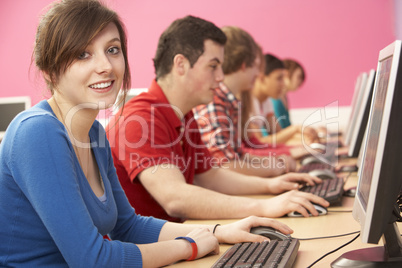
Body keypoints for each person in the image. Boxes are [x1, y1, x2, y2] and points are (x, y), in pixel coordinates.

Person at [0, 1, 298, 266]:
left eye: (113, 50)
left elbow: (127, 227)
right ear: (50, 71)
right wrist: (190, 246)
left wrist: (220, 232)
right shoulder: (37, 132)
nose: (105, 66)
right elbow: (92, 260)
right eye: (82, 54)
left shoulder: (94, 133)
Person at [106, 17, 329, 225]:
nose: (221, 76)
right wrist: (264, 206)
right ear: (180, 65)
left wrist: (271, 185)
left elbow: (210, 176)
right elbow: (175, 199)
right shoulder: (138, 118)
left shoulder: (185, 115)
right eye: (213, 66)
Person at [249, 54, 319, 146]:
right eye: (279, 78)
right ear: (262, 78)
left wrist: (305, 139)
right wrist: (296, 129)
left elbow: (278, 134)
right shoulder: (248, 102)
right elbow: (260, 142)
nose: (283, 84)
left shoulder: (266, 101)